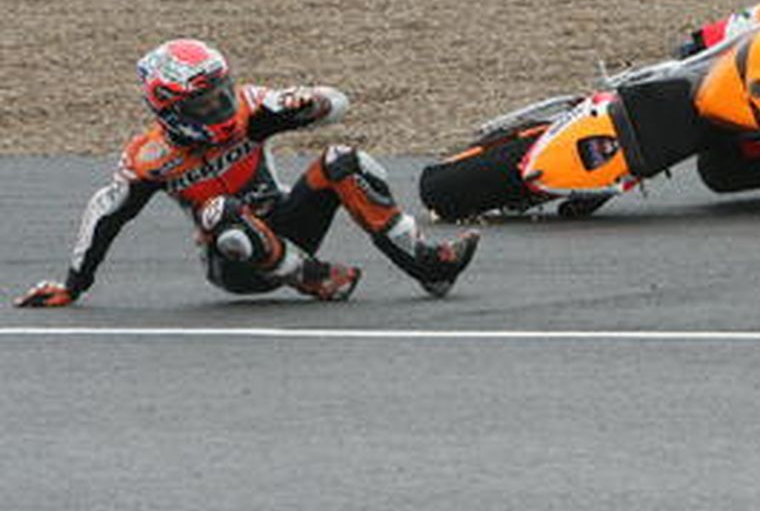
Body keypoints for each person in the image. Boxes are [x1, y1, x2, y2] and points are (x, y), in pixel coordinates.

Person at [15, 38, 478, 308]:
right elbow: (105, 214)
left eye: (222, 92)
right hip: (234, 262)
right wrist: (74, 285)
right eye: (204, 102)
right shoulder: (150, 159)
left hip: (287, 225)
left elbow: (338, 103)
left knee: (344, 160)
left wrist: (311, 101)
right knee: (220, 211)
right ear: (169, 109)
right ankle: (312, 278)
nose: (220, 106)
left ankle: (428, 267)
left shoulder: (249, 109)